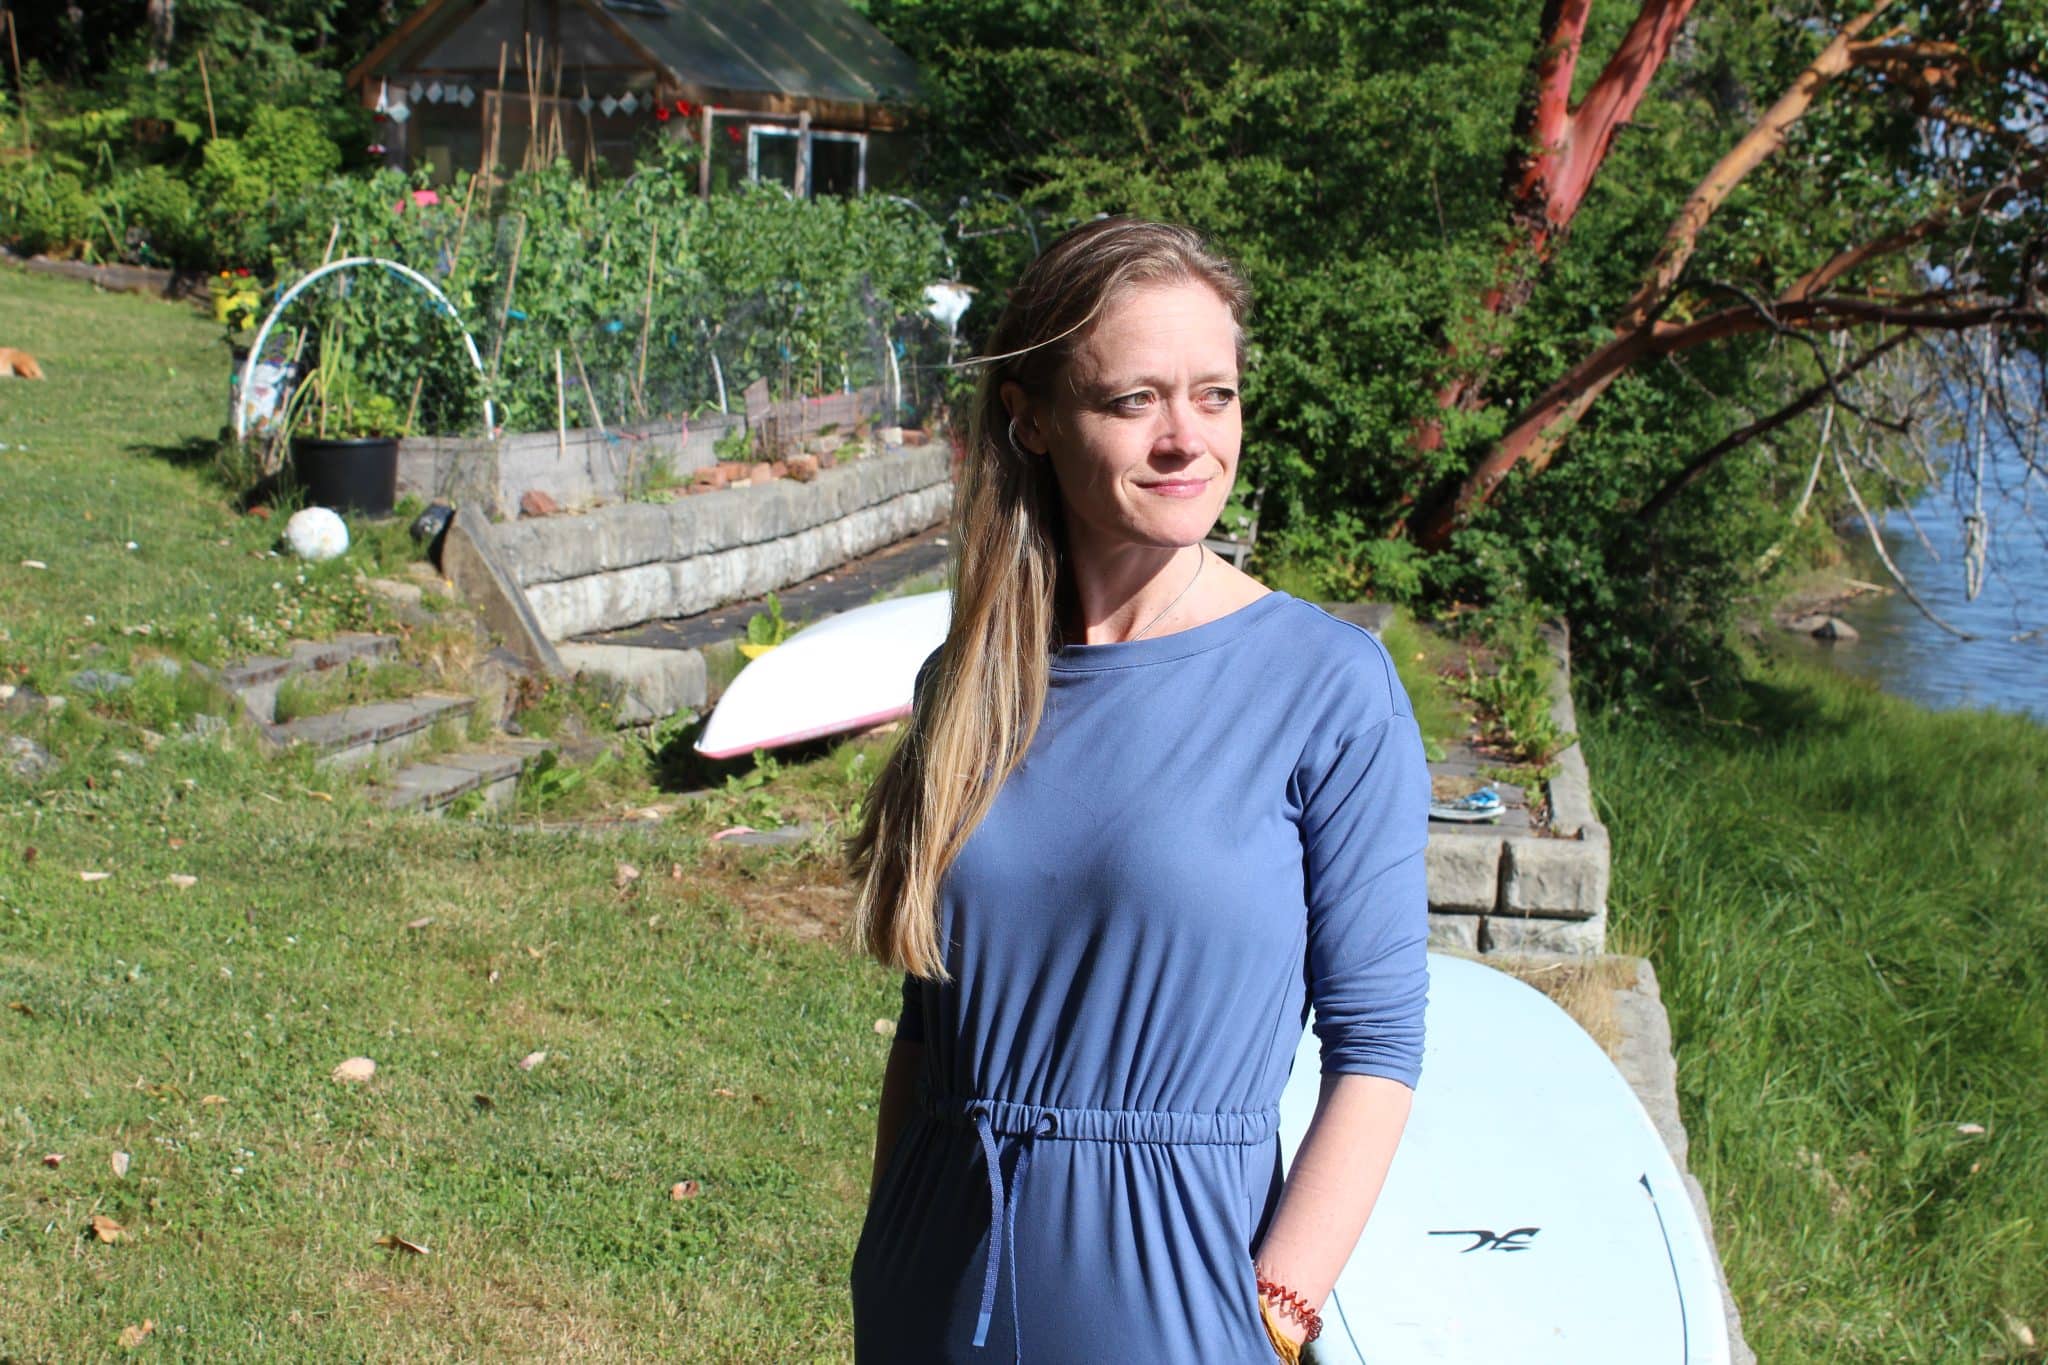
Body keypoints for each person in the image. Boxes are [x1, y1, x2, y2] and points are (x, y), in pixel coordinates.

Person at [847, 217, 1430, 1363]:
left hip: (1173, 1304)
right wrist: (883, 1254)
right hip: (933, 1286)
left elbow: (1377, 1049)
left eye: (1213, 397)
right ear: (1031, 416)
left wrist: (1277, 1314)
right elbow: (928, 1023)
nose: (1185, 440)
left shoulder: (1323, 687)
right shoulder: (966, 681)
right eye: (1133, 402)